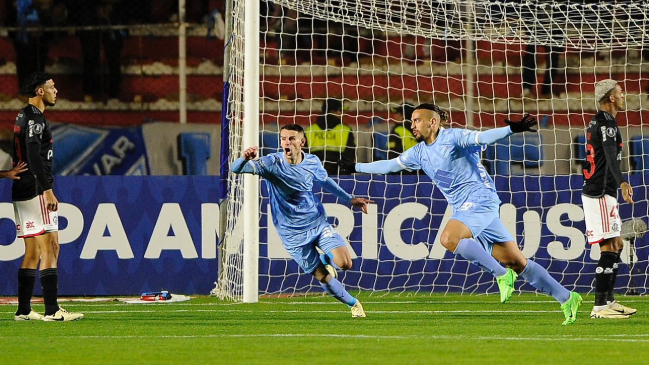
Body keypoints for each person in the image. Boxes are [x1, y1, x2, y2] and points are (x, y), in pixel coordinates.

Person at [339, 103, 583, 325]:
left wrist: (511, 130)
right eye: (412, 121)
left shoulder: (453, 137)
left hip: (480, 199)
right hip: (470, 208)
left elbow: (482, 136)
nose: (412, 125)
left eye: (417, 120)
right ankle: (567, 297)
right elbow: (390, 165)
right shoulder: (420, 152)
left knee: (449, 239)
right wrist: (356, 167)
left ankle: (500, 275)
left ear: (433, 122)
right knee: (517, 261)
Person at [232, 124, 373, 317]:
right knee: (323, 275)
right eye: (283, 138)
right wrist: (244, 158)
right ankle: (354, 304)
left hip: (316, 223)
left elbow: (326, 182)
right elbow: (236, 169)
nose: (286, 142)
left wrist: (350, 199)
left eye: (291, 138)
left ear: (302, 142)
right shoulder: (271, 163)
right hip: (291, 234)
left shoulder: (312, 162)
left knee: (345, 263)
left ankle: (325, 258)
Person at [12, 72, 84, 322]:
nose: (56, 91)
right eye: (52, 87)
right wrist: (47, 189)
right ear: (40, 91)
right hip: (35, 189)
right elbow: (33, 155)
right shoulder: (35, 118)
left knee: (32, 251)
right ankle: (53, 310)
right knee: (51, 246)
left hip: (22, 189)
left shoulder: (24, 114)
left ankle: (23, 310)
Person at [582, 79, 636, 319]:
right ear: (611, 98)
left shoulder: (600, 121)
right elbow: (612, 159)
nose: (624, 96)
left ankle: (608, 301)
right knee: (610, 245)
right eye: (620, 93)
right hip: (601, 191)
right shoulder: (608, 124)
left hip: (603, 191)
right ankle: (599, 307)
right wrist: (622, 182)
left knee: (618, 244)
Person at [305, 98, 356, 175]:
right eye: (340, 111)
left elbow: (303, 154)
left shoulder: (310, 130)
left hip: (315, 174)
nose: (342, 114)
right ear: (332, 112)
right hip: (338, 174)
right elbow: (350, 155)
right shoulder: (345, 130)